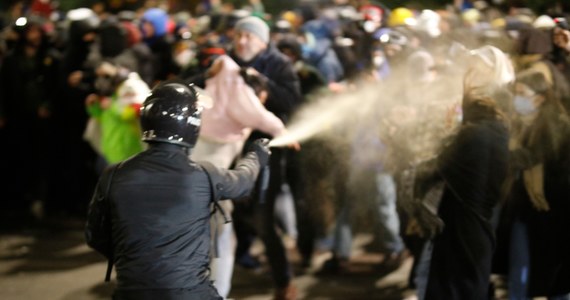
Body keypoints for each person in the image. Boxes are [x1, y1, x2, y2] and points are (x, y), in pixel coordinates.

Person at [85, 82, 271, 300]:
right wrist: (256, 155)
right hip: (192, 293)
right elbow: (243, 181)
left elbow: (95, 236)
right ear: (191, 124)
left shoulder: (113, 175)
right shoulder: (203, 175)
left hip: (130, 292)